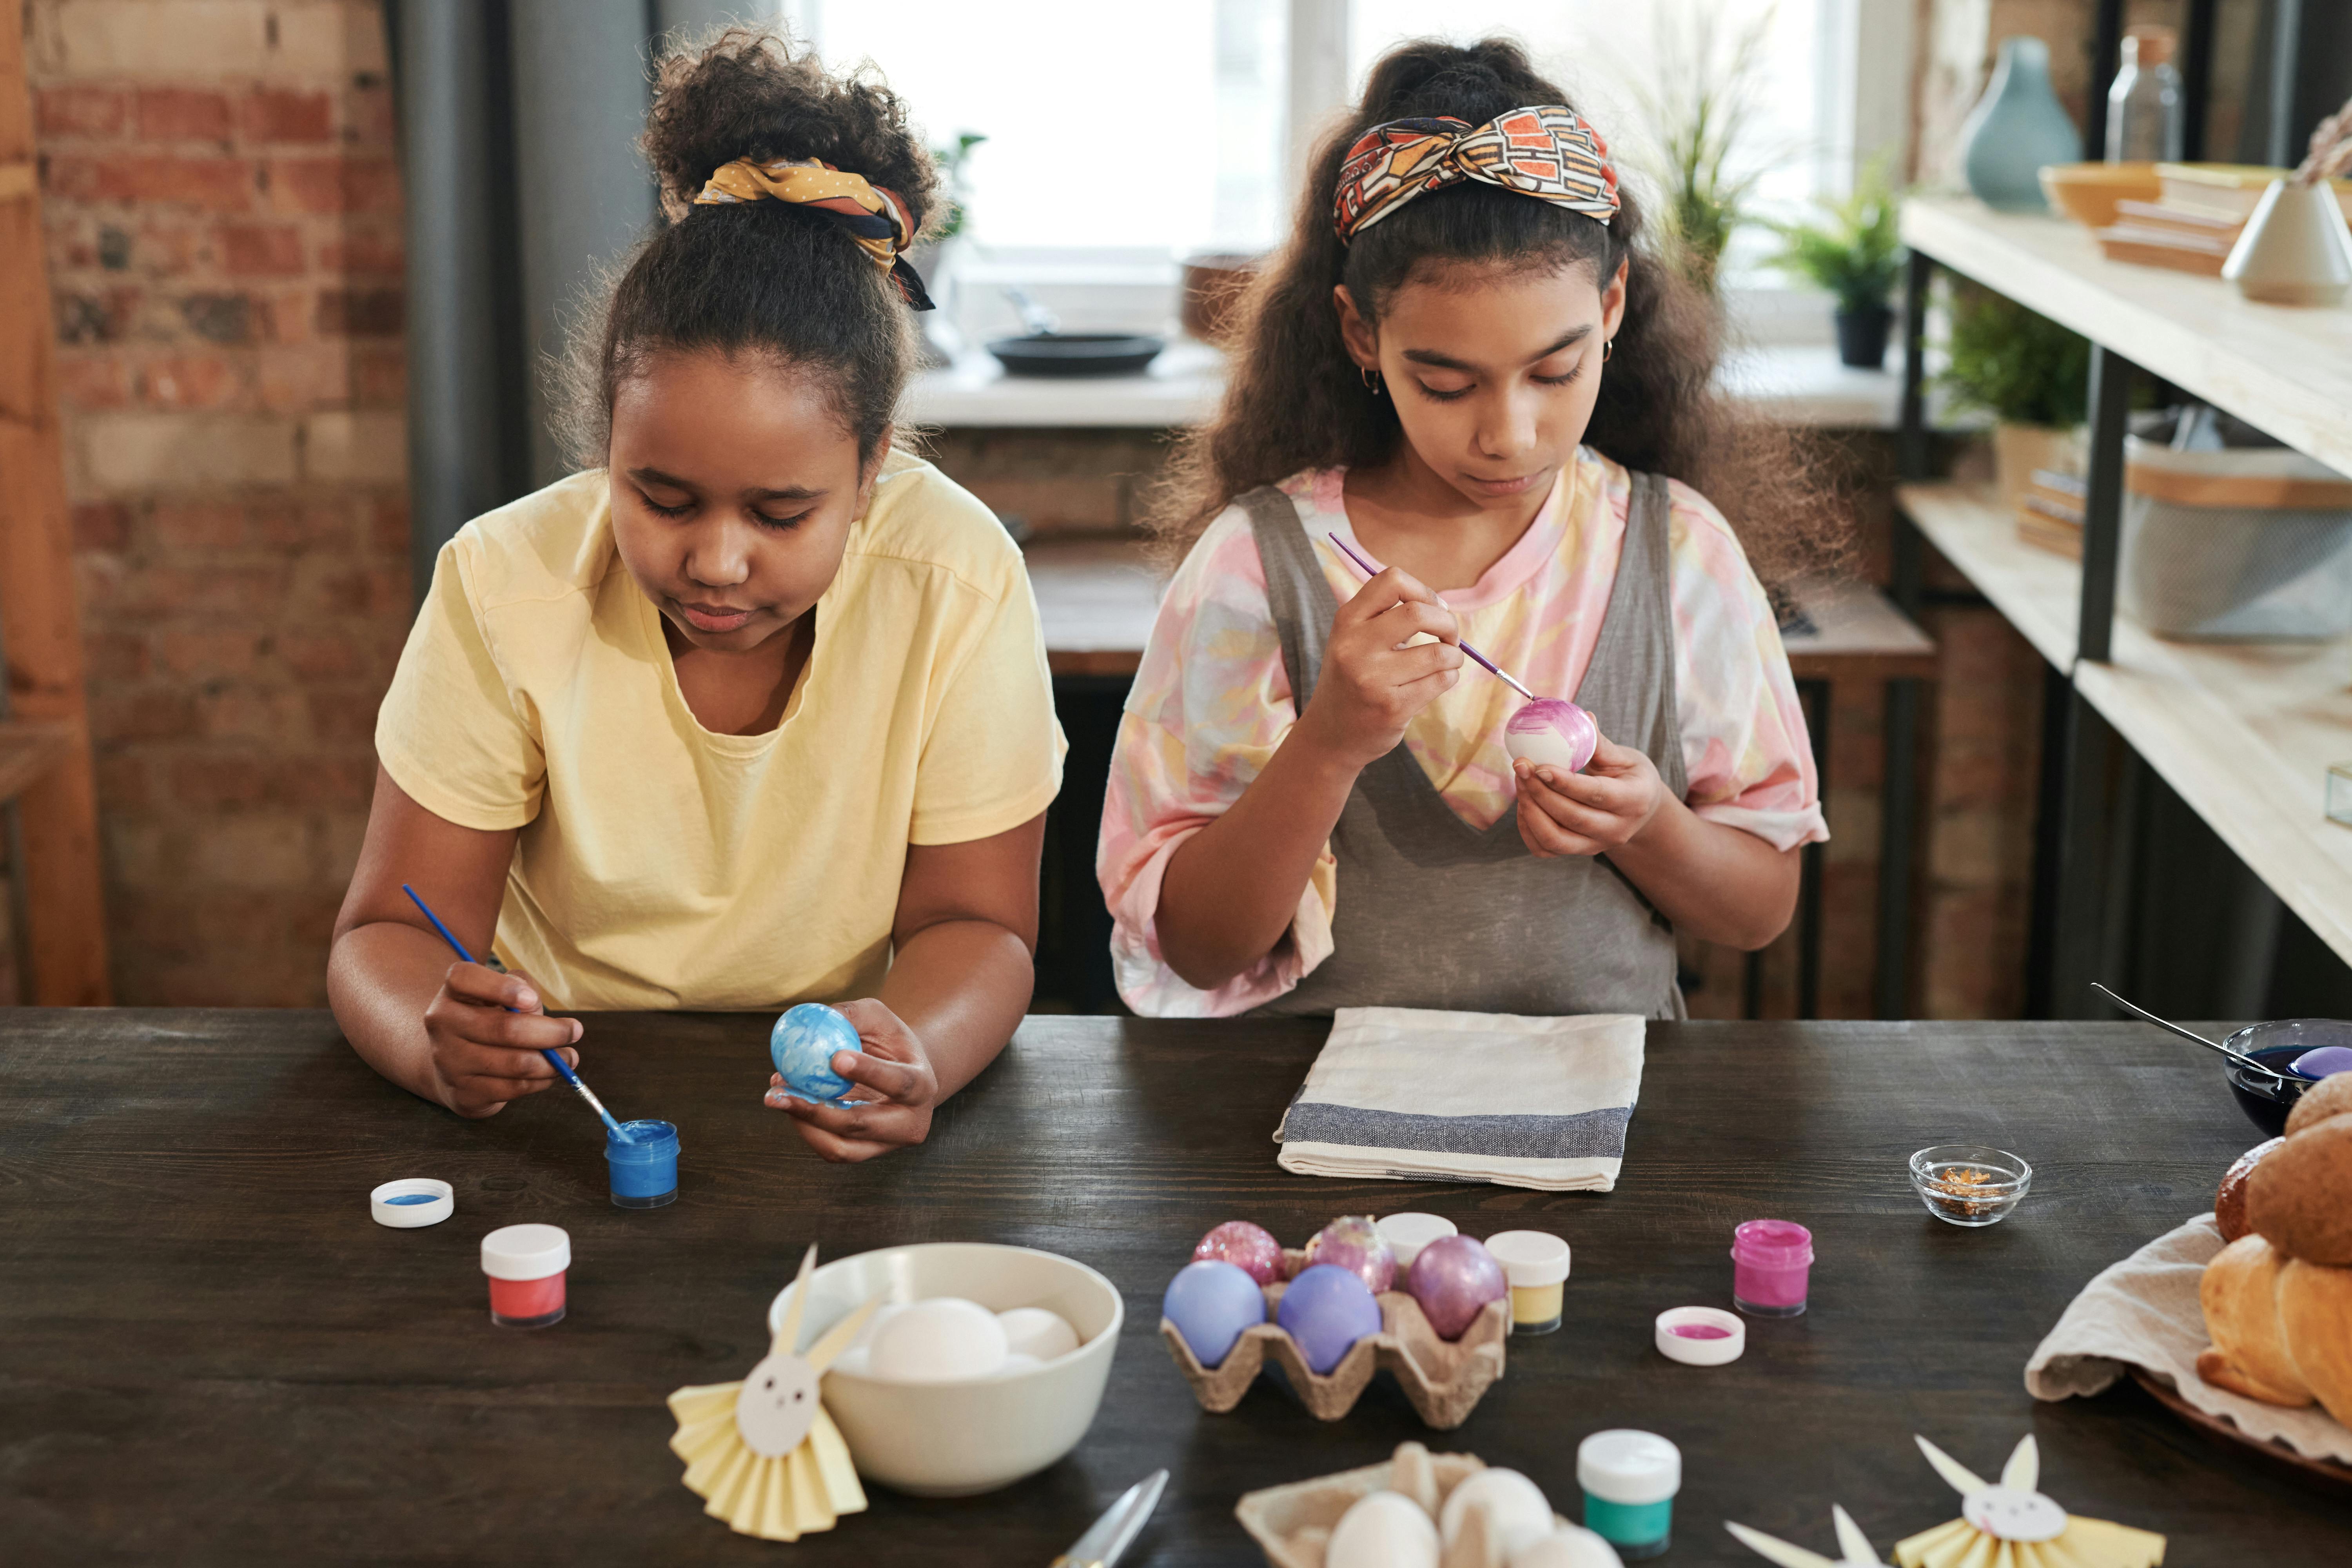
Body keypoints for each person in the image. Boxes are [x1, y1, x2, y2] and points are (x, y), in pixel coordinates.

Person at [330, 30, 1061, 1160]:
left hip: (835, 1098)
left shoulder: (956, 582)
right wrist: (439, 1042)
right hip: (564, 1106)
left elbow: (980, 926)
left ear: (871, 473)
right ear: (605, 449)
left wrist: (915, 1050)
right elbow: (386, 933)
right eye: (662, 501)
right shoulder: (503, 582)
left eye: (780, 515)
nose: (717, 563)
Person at [1099, 39, 1838, 1020]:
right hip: (1307, 1134)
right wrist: (1328, 745)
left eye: (1555, 371)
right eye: (1445, 383)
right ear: (1363, 334)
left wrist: (1650, 822)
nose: (1508, 435)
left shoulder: (1680, 552)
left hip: (1606, 1131)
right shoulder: (1256, 564)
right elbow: (1195, 947)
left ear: (1611, 308)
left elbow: (1758, 914)